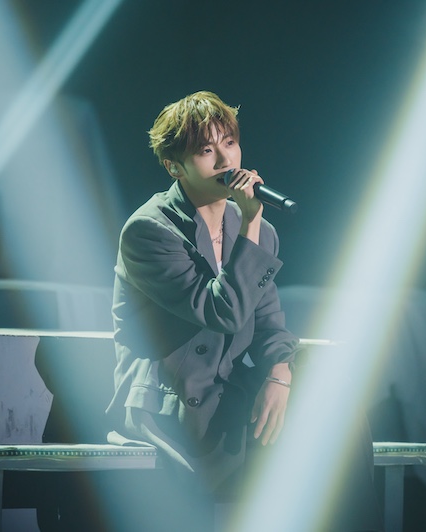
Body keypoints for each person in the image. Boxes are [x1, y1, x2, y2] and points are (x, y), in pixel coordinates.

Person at [105, 91, 300, 528]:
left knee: (339, 419)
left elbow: (269, 324)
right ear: (174, 166)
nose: (225, 160)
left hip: (231, 394)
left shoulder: (258, 231)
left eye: (229, 143)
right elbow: (222, 312)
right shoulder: (148, 231)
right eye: (206, 151)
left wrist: (279, 373)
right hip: (172, 405)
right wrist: (250, 223)